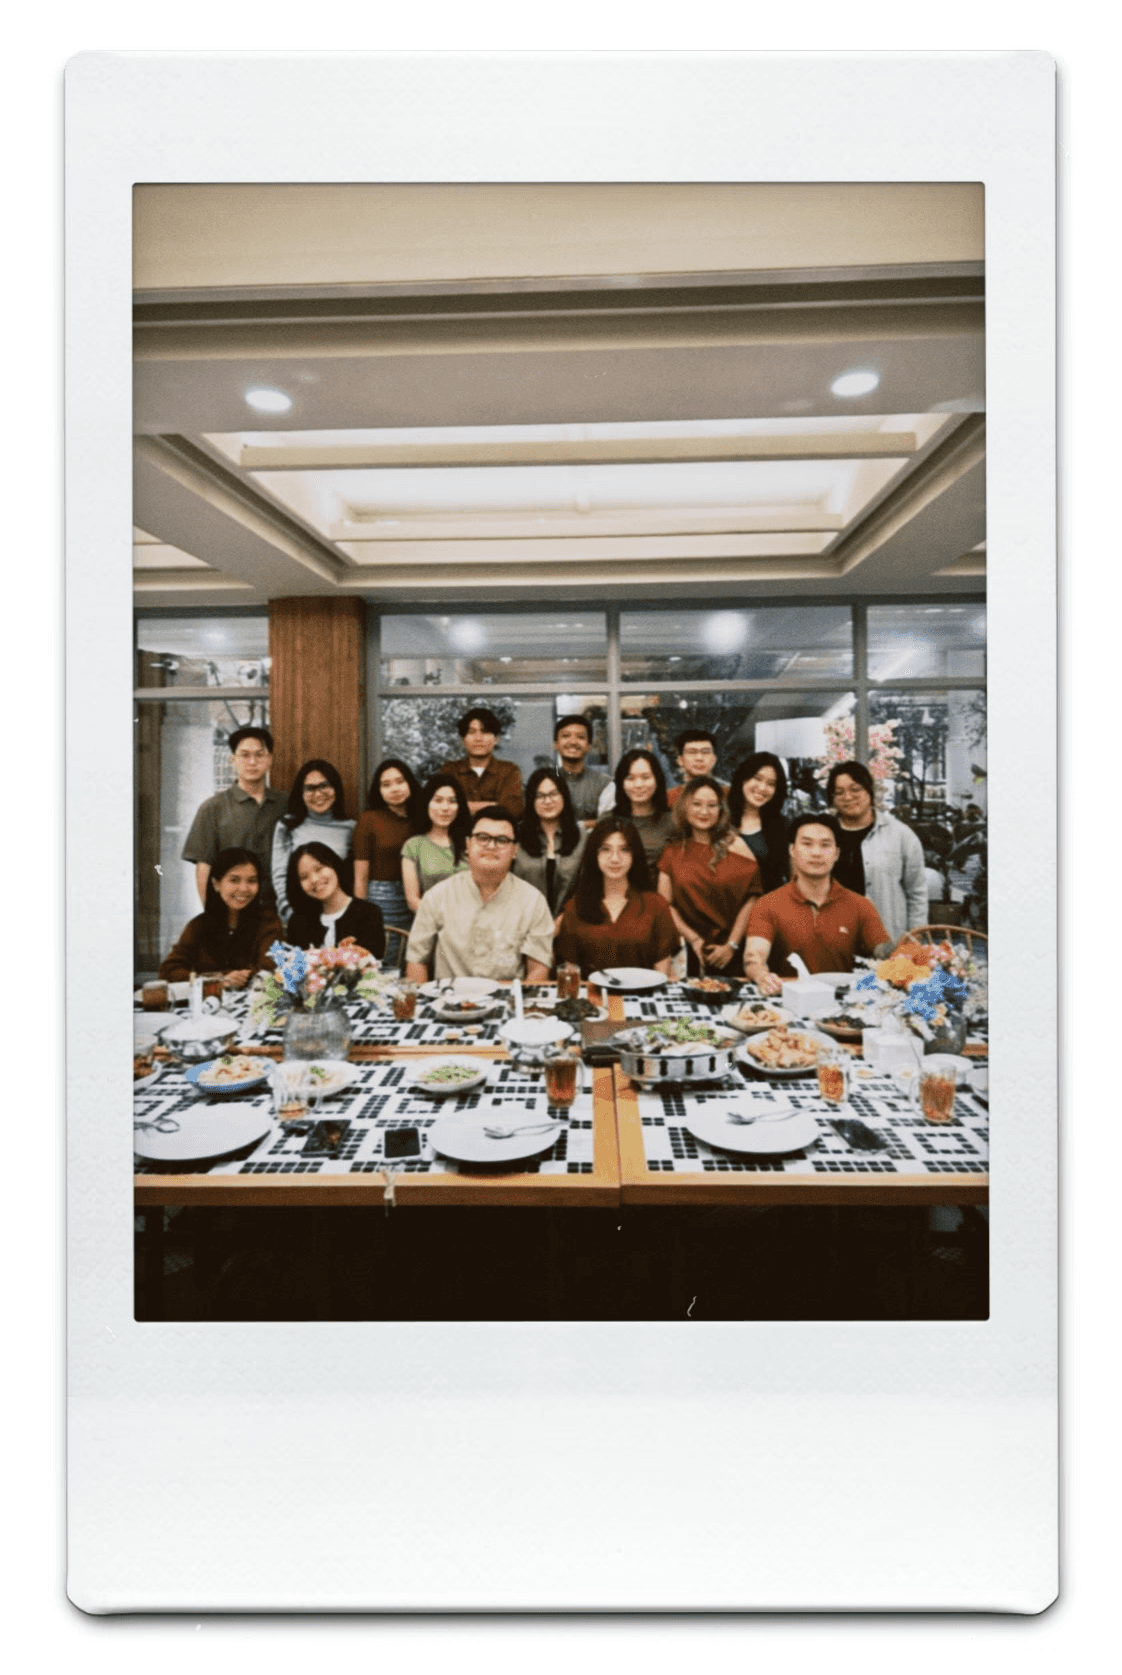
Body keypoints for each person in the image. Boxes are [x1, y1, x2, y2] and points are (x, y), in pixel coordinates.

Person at [743, 812, 893, 993]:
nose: (816, 853)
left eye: (825, 845)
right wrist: (762, 975)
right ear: (792, 850)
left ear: (837, 853)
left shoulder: (860, 905)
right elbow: (754, 955)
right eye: (807, 844)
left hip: (843, 1006)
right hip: (786, 1001)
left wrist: (904, 956)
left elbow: (884, 951)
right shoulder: (767, 904)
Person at [404, 806, 554, 982]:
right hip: (450, 1001)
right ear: (468, 845)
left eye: (502, 840)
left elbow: (538, 970)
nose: (491, 846)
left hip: (506, 1001)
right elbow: (417, 961)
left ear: (515, 851)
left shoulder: (533, 901)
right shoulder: (438, 896)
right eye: (482, 838)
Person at [657, 776, 762, 971]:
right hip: (686, 952)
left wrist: (731, 944)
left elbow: (752, 898)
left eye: (712, 805)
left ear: (721, 809)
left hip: (734, 952)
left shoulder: (737, 846)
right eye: (696, 804)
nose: (704, 812)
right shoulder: (672, 852)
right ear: (685, 807)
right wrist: (694, 939)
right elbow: (665, 905)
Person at [554, 817, 680, 978]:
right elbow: (572, 973)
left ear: (635, 854)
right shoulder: (575, 907)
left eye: (625, 849)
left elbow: (663, 974)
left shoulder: (656, 905)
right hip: (594, 999)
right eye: (606, 849)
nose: (615, 858)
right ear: (594, 854)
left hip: (642, 997)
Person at [181, 725, 287, 909]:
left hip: (277, 909)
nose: (252, 762)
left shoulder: (285, 804)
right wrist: (211, 915)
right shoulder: (213, 808)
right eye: (245, 755)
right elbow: (204, 866)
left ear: (270, 760)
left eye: (259, 755)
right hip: (232, 909)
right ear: (233, 760)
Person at [826, 759, 927, 945]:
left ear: (869, 790)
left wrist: (914, 937)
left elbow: (917, 892)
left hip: (886, 937)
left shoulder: (900, 835)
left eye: (855, 789)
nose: (847, 797)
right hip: (833, 938)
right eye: (839, 792)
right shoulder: (823, 835)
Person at [159, 847, 282, 986]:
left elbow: (270, 969)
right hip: (204, 1005)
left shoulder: (269, 923)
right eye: (234, 880)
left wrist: (209, 977)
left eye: (252, 881)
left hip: (254, 1004)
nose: (243, 888)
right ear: (216, 884)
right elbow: (168, 971)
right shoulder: (199, 925)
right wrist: (219, 979)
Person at [352, 758, 426, 950]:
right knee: (388, 955)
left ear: (410, 782)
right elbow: (360, 877)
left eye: (400, 781)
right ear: (379, 790)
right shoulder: (369, 820)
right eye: (386, 785)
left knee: (415, 955)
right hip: (383, 900)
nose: (394, 789)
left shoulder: (422, 819)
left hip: (420, 898)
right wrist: (361, 916)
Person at [271, 758, 354, 924]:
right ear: (300, 793)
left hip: (340, 917)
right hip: (298, 916)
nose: (318, 794)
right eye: (310, 788)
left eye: (324, 785)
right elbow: (279, 874)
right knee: (293, 951)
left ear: (335, 788)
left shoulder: (351, 828)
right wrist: (290, 913)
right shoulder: (287, 826)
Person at [286, 841, 386, 958]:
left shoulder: (369, 914)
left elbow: (373, 963)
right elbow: (292, 968)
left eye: (319, 869)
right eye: (304, 877)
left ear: (334, 865)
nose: (314, 879)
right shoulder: (298, 921)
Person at [512, 767, 588, 920]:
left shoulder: (582, 838)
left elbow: (587, 887)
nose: (547, 801)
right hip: (523, 923)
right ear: (531, 800)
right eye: (540, 796)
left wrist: (564, 919)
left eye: (553, 794)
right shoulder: (516, 836)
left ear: (564, 796)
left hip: (570, 924)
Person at [595, 748, 675, 871]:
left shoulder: (673, 821)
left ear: (657, 780)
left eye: (646, 777)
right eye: (630, 778)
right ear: (621, 783)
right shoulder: (607, 820)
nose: (638, 785)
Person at [400, 774, 471, 912]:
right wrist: (447, 921)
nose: (445, 808)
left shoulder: (471, 842)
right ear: (426, 804)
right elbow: (413, 901)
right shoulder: (414, 845)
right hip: (432, 924)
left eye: (452, 801)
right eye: (438, 800)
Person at [440, 707, 524, 819]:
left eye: (485, 731)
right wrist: (494, 805)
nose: (478, 738)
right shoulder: (449, 770)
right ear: (462, 740)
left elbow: (512, 810)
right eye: (471, 732)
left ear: (496, 739)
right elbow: (443, 808)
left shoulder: (509, 771)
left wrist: (462, 806)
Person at [727, 752, 789, 893]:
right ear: (743, 778)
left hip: (767, 907)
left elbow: (789, 877)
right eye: (757, 778)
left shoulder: (782, 826)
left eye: (770, 784)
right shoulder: (719, 817)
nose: (762, 788)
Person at [553, 713, 610, 823]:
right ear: (555, 744)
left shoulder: (604, 784)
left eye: (580, 737)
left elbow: (606, 824)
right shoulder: (546, 781)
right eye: (565, 736)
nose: (573, 742)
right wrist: (588, 824)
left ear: (589, 746)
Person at [666, 730, 729, 808]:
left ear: (714, 759)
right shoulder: (669, 798)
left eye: (705, 752)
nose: (699, 758)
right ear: (680, 760)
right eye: (692, 752)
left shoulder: (730, 795)